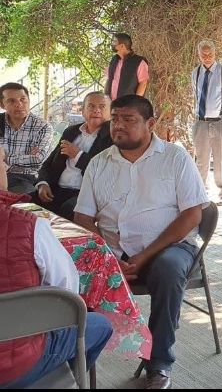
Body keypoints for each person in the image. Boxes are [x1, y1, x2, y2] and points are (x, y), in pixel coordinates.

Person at [74, 95, 208, 389]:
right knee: (66, 266)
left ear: (150, 123)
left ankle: (159, 363)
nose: (119, 126)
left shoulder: (175, 157)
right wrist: (109, 257)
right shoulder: (99, 163)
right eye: (116, 119)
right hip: (114, 252)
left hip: (169, 249)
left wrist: (144, 256)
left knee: (168, 271)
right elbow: (83, 217)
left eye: (128, 120)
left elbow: (192, 215)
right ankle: (75, 358)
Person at [0, 190, 113, 388]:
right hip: (15, 367)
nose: (6, 165)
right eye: (2, 160)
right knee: (100, 325)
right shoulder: (29, 227)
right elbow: (67, 296)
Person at [33, 92, 112, 221]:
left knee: (69, 209)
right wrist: (42, 183)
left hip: (85, 194)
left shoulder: (112, 137)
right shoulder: (71, 131)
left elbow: (105, 171)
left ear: (110, 113)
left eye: (102, 107)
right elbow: (48, 163)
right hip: (57, 188)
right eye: (91, 106)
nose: (96, 110)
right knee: (24, 204)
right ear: (83, 111)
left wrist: (78, 155)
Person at [192, 40, 222, 204]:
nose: (207, 57)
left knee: (221, 160)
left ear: (215, 53)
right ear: (199, 55)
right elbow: (196, 97)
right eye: (203, 54)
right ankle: (201, 193)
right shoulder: (195, 73)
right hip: (201, 122)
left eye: (209, 54)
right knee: (202, 160)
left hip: (221, 122)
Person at [0, 82, 53, 194]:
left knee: (22, 200)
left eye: (23, 99)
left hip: (25, 178)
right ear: (2, 105)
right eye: (11, 101)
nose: (19, 104)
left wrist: (4, 157)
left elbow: (38, 159)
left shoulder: (42, 126)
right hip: (1, 174)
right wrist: (26, 157)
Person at [104, 33, 150, 101]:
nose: (112, 43)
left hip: (128, 105)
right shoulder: (114, 60)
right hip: (112, 104)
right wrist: (105, 97)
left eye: (114, 41)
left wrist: (135, 101)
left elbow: (143, 83)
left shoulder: (139, 62)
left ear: (122, 46)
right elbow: (109, 79)